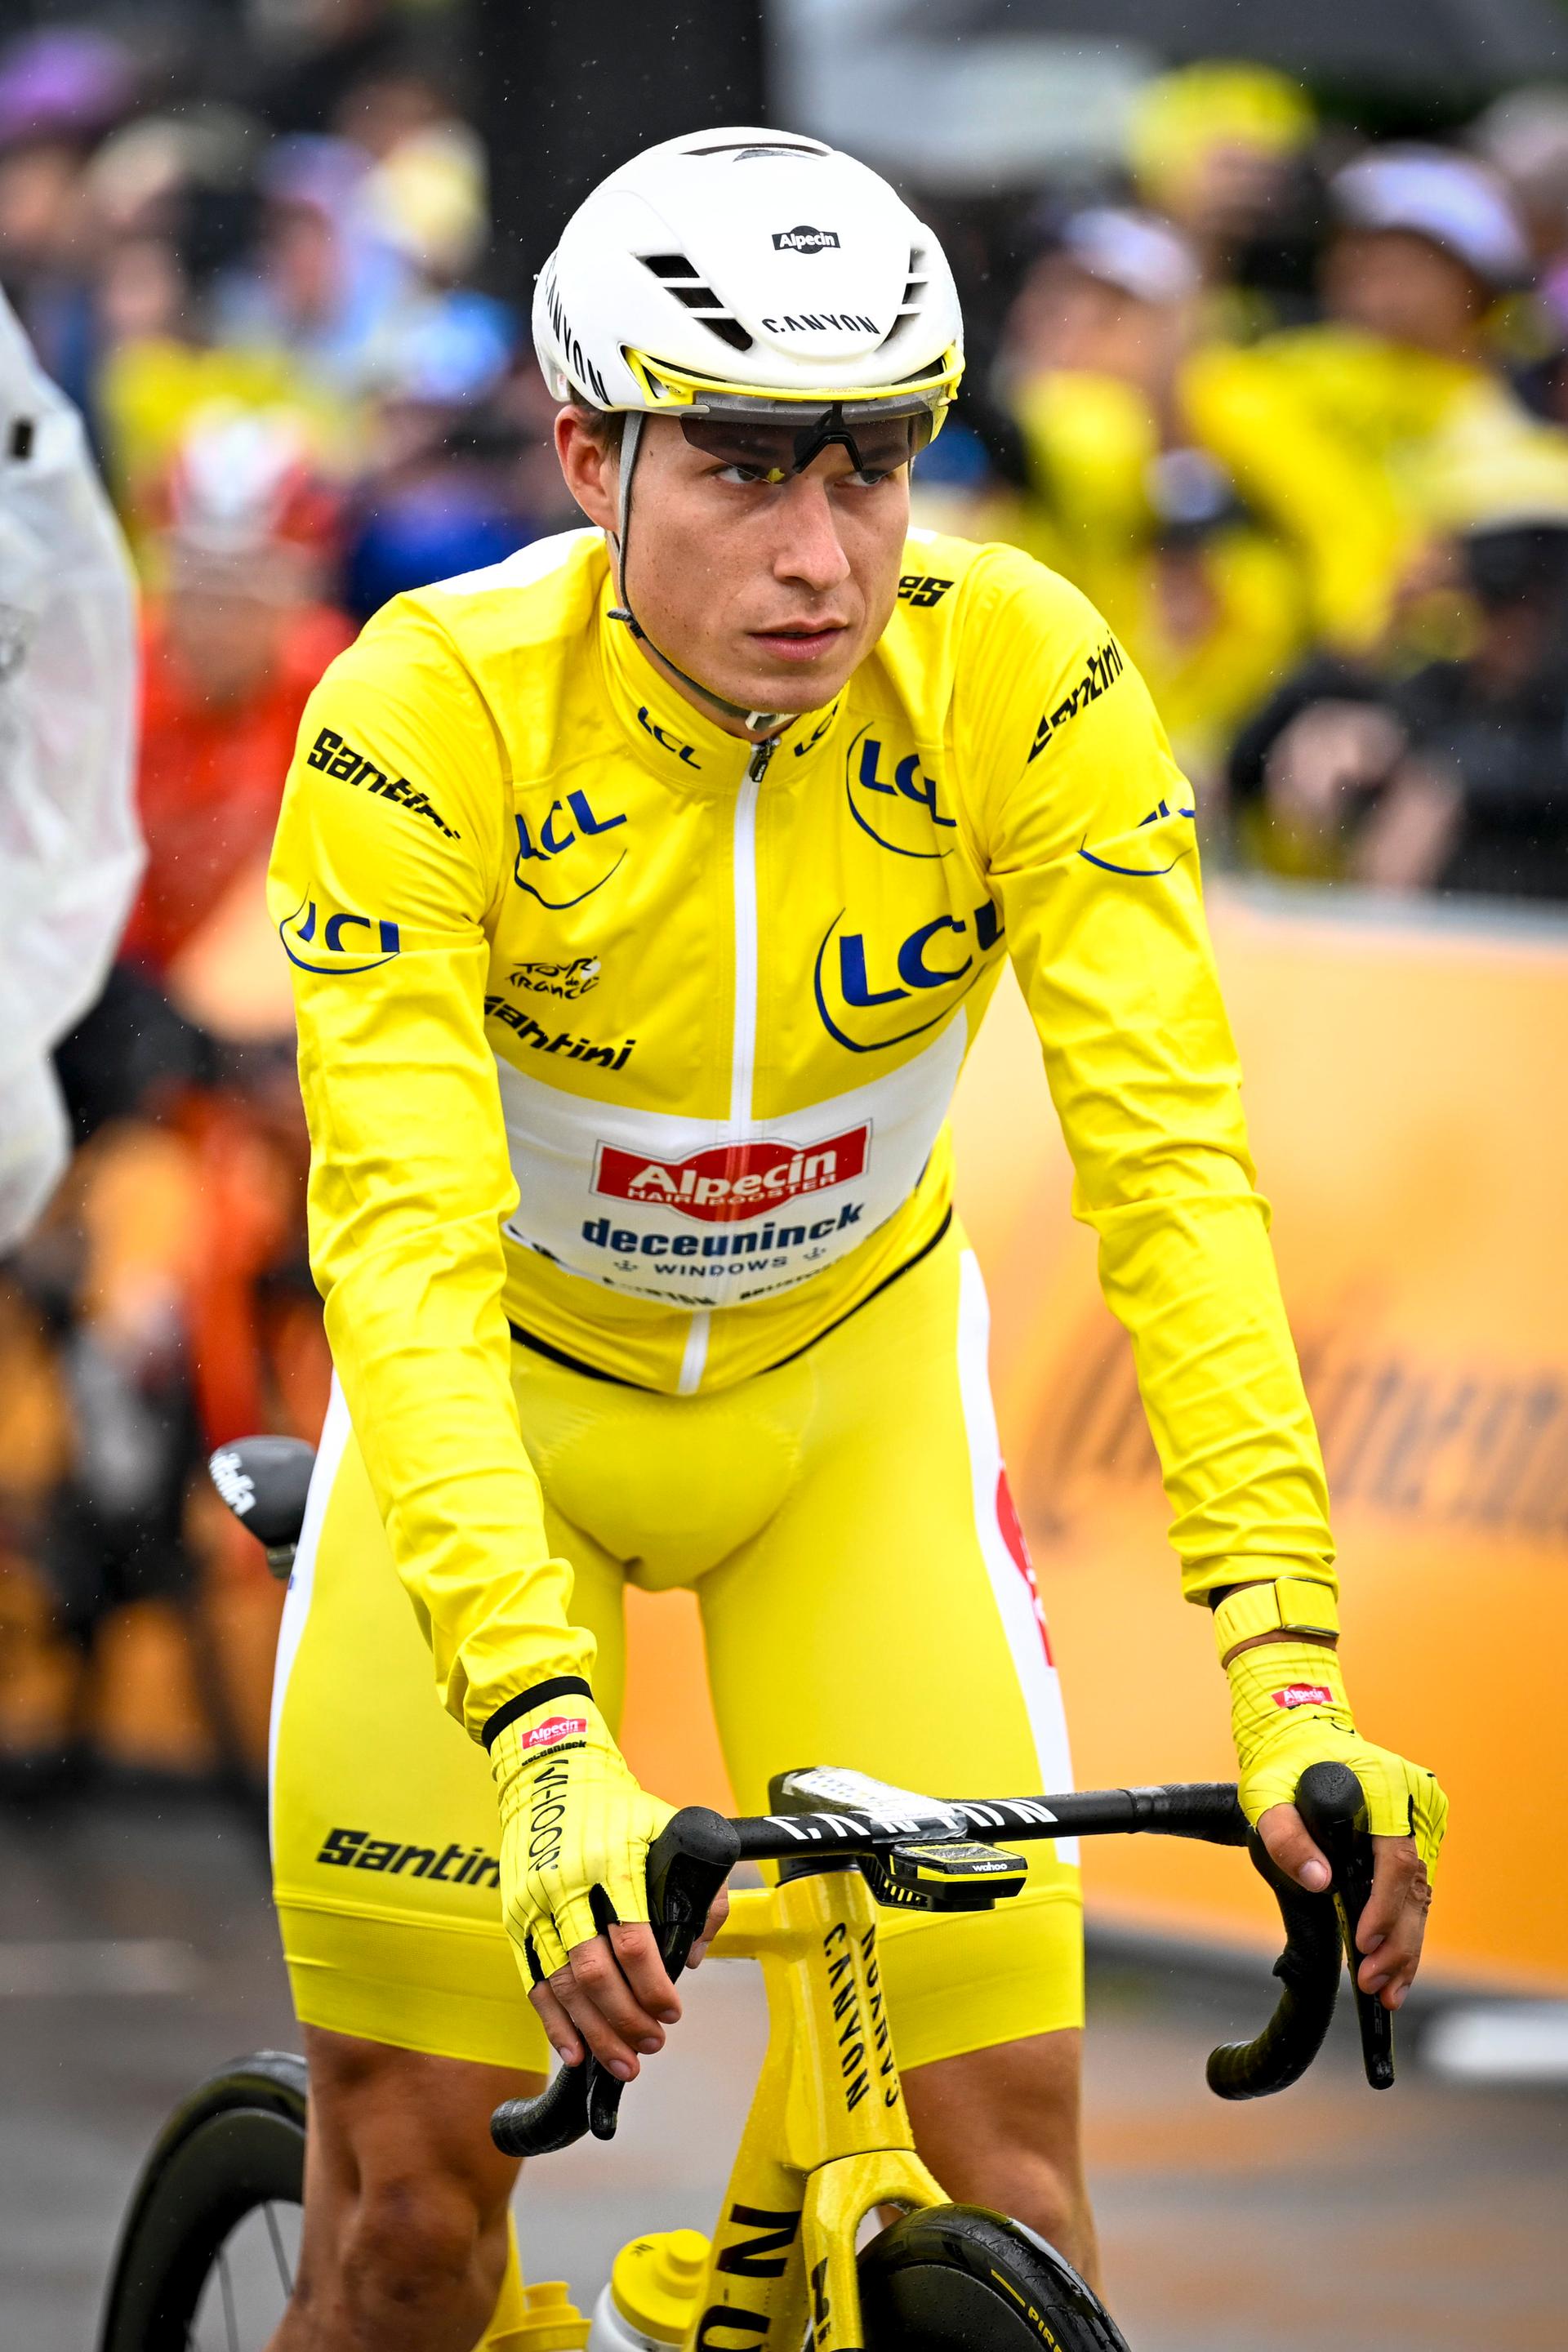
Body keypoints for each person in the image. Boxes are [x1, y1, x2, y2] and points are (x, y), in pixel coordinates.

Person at [265, 127, 1447, 2350]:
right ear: (588, 455)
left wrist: (1295, 1678)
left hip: (853, 1411)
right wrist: (535, 1735)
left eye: (875, 468)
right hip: (501, 1424)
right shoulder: (424, 716)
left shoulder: (1018, 674)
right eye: (741, 474)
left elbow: (1175, 1175)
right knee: (413, 2234)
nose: (823, 556)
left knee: (1007, 2172)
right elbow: (404, 1248)